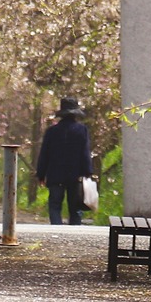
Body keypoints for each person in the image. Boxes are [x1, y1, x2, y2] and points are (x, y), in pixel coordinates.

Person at [34, 96, 94, 226]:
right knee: (75, 206)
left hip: (55, 175)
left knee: (55, 206)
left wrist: (41, 174)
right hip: (75, 175)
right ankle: (74, 230)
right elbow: (85, 153)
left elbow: (44, 154)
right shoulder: (81, 130)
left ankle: (57, 229)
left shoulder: (52, 131)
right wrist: (88, 172)